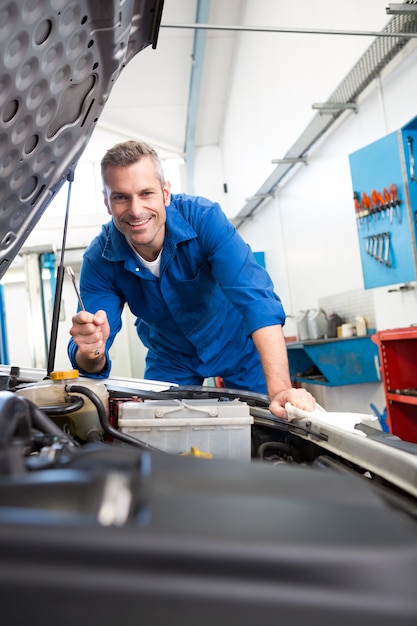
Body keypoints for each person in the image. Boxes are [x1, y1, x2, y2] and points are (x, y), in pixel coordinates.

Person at [68, 140, 315, 419]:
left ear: (165, 193)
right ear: (107, 202)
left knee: (270, 429)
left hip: (237, 345)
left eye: (146, 193)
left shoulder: (204, 220)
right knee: (161, 436)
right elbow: (91, 352)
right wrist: (91, 351)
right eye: (121, 197)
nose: (136, 210)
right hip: (170, 357)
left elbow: (256, 299)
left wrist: (281, 390)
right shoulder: (99, 259)